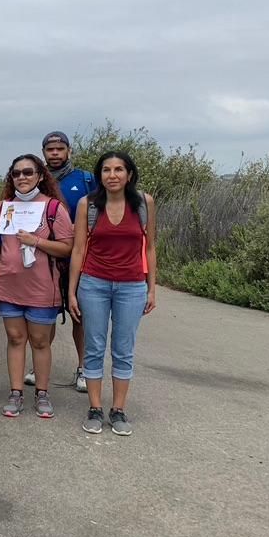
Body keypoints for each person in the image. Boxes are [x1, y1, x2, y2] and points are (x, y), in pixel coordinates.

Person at [68, 151, 157, 437]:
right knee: (94, 348)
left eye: (119, 169)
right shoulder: (88, 204)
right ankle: (95, 408)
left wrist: (151, 287)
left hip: (132, 286)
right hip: (93, 283)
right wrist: (72, 290)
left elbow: (150, 248)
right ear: (99, 175)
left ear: (129, 174)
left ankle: (118, 410)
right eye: (106, 170)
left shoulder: (144, 203)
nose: (113, 175)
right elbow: (79, 249)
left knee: (123, 350)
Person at [0, 155, 73, 419]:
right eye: (16, 173)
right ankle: (15, 393)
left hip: (41, 286)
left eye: (28, 172)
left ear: (40, 176)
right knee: (15, 339)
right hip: (9, 285)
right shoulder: (5, 206)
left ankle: (42, 393)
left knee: (39, 341)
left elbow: (67, 247)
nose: (22, 177)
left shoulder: (53, 208)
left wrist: (36, 241)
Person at [25, 130, 98, 392]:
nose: (54, 153)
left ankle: (83, 368)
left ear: (68, 151)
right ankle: (39, 365)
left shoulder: (86, 179)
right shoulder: (36, 179)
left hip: (79, 257)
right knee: (46, 315)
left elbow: (97, 217)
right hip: (46, 256)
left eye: (60, 148)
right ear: (43, 152)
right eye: (50, 149)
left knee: (81, 316)